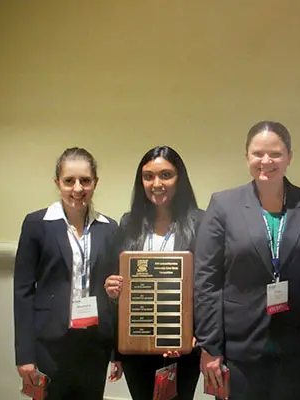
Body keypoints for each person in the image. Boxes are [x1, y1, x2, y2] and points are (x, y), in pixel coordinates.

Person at [194, 121, 300, 400]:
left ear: (289, 156)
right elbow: (206, 280)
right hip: (237, 350)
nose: (266, 161)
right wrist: (209, 346)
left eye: (275, 154)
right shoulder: (223, 205)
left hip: (295, 351)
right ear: (247, 157)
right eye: (257, 154)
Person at [13, 147, 123, 399]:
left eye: (85, 180)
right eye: (69, 181)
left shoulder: (109, 228)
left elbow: (114, 294)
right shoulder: (37, 224)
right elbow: (23, 293)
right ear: (57, 183)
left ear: (95, 182)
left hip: (94, 343)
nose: (77, 188)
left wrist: (117, 352)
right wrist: (25, 355)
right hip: (50, 343)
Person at [103, 145, 204, 399]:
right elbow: (121, 285)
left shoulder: (200, 222)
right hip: (138, 344)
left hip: (183, 347)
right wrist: (113, 289)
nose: (156, 183)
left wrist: (198, 335)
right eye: (148, 176)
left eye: (166, 175)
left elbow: (207, 285)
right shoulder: (128, 223)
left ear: (179, 179)